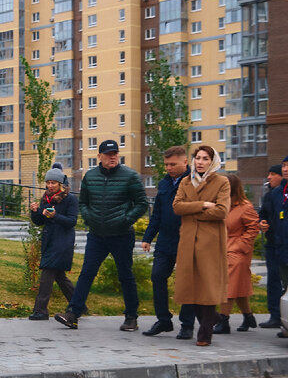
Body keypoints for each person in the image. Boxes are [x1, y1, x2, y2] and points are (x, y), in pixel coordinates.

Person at [55, 139, 148, 332]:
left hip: (121, 235)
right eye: (108, 154)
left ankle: (131, 317)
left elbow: (142, 204)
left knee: (126, 276)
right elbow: (83, 203)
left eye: (115, 153)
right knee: (87, 273)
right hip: (97, 235)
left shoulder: (129, 176)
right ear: (100, 156)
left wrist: (125, 219)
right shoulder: (90, 177)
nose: (113, 157)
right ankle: (73, 314)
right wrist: (89, 218)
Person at [172, 145, 230, 347]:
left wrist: (192, 211)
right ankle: (212, 318)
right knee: (191, 286)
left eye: (205, 158)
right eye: (197, 158)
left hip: (210, 242)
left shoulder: (222, 182)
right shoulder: (186, 181)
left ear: (212, 161)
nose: (200, 162)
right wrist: (203, 205)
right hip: (188, 239)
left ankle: (205, 332)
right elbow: (177, 207)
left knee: (208, 285)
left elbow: (222, 211)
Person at [140, 146, 194, 339]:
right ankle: (163, 320)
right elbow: (157, 214)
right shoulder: (164, 184)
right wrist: (147, 237)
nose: (169, 168)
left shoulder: (193, 182)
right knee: (157, 276)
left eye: (173, 164)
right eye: (166, 164)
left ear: (185, 162)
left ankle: (187, 324)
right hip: (165, 240)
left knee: (187, 282)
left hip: (186, 239)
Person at [27, 163, 78, 321]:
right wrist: (35, 212)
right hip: (49, 241)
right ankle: (78, 305)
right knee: (60, 277)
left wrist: (55, 215)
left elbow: (72, 221)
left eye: (53, 183)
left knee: (47, 272)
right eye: (48, 183)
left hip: (62, 242)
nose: (50, 185)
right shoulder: (46, 198)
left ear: (60, 184)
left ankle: (40, 310)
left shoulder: (70, 200)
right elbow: (40, 222)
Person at [215, 172, 261, 334]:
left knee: (228, 284)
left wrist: (240, 246)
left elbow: (253, 228)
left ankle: (223, 320)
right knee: (238, 285)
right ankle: (248, 317)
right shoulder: (222, 204)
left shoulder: (245, 207)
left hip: (237, 251)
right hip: (223, 248)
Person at [257, 162, 285, 329]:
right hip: (272, 244)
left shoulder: (283, 194)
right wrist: (263, 222)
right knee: (273, 280)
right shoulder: (269, 196)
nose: (269, 177)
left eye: (273, 174)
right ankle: (275, 315)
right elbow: (262, 215)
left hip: (284, 244)